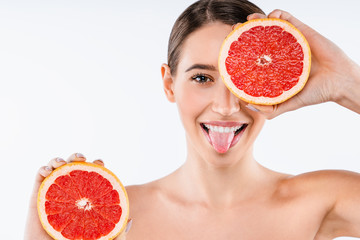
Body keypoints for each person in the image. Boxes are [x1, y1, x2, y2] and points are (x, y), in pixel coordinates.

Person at [25, 0, 360, 239]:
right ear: (169, 84)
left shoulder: (323, 200)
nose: (226, 106)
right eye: (202, 78)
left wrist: (347, 85)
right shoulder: (114, 214)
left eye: (238, 81)